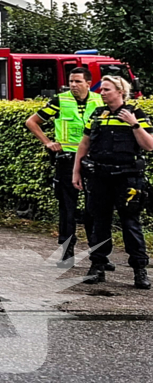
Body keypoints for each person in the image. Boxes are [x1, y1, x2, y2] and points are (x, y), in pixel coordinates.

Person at [72, 75, 152, 289]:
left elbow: (149, 145)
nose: (102, 93)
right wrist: (76, 172)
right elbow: (84, 143)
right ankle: (97, 266)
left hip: (127, 178)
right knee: (99, 223)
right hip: (99, 176)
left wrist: (134, 124)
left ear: (120, 91)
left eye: (107, 89)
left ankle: (139, 270)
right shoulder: (98, 114)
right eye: (102, 89)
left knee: (130, 223)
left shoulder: (136, 114)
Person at [25, 66, 105, 267]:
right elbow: (32, 122)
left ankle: (98, 255)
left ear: (88, 83)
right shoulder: (60, 100)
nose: (73, 85)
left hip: (92, 160)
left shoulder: (100, 101)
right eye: (71, 81)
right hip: (67, 160)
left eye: (78, 81)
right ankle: (67, 252)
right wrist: (47, 142)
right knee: (67, 208)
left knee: (93, 209)